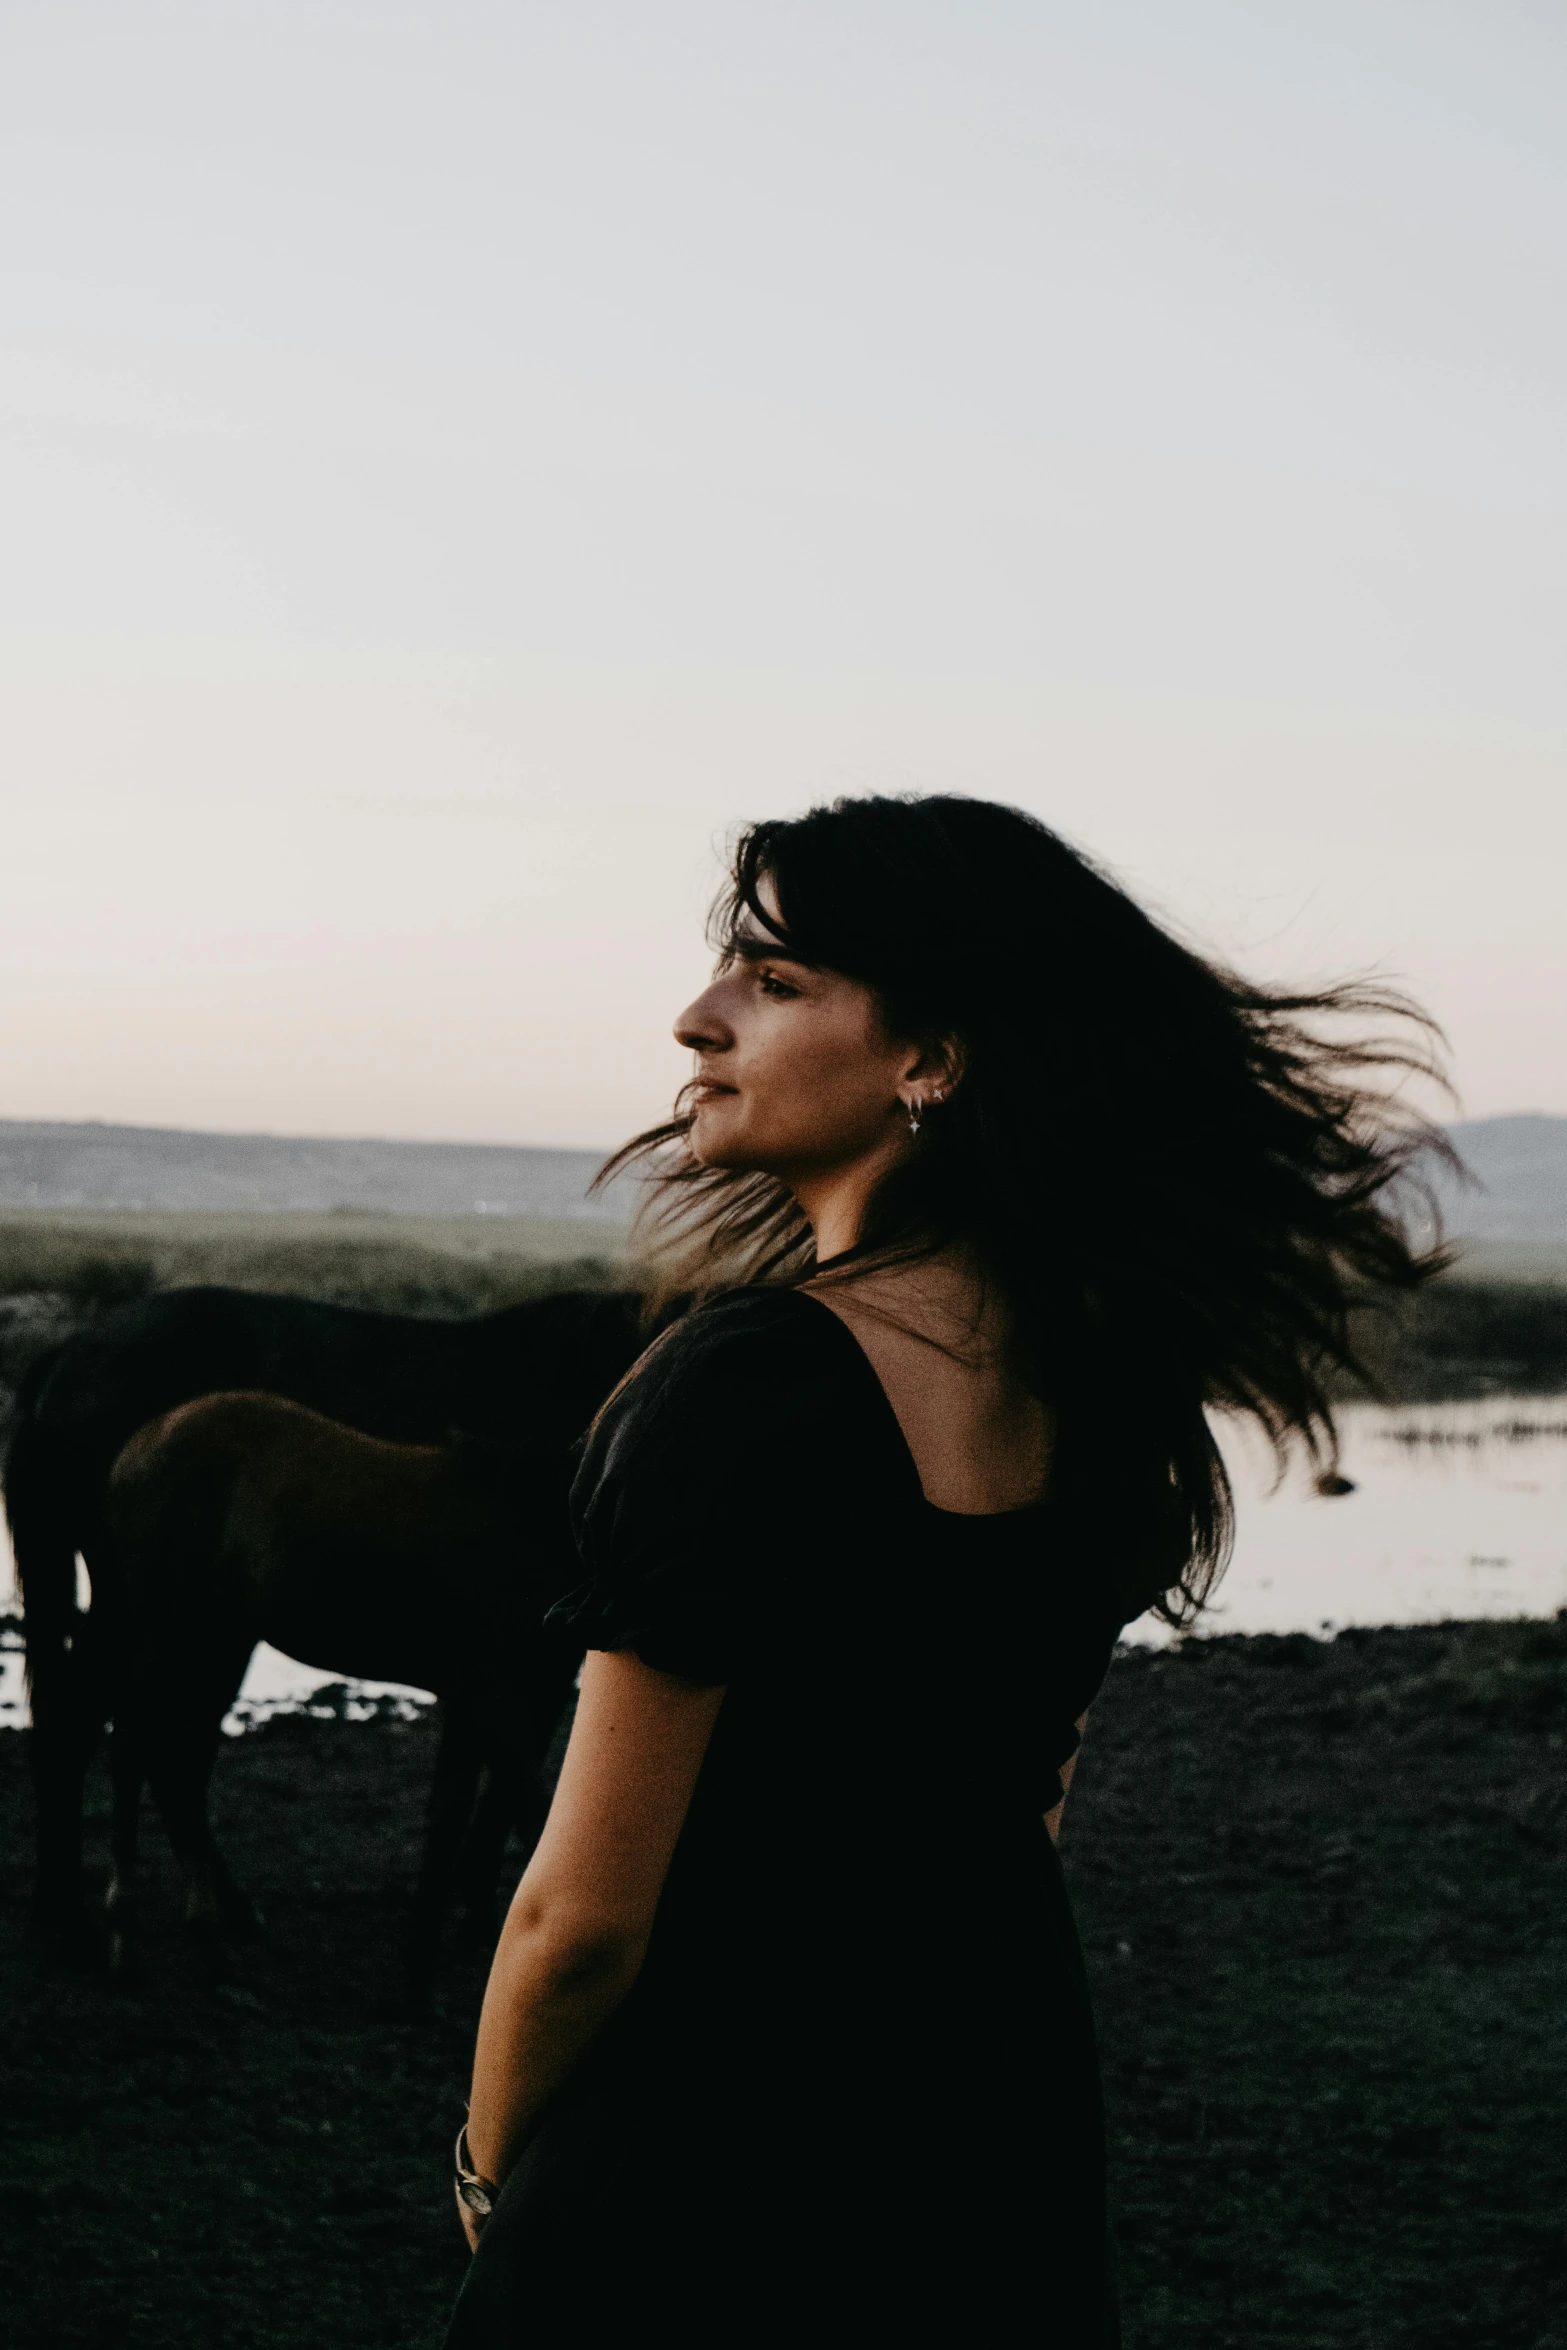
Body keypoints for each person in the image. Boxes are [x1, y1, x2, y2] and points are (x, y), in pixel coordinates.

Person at [442, 794, 1446, 2345]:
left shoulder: (742, 1387)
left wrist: (492, 2161)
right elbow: (1020, 1798)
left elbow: (576, 1917)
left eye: (774, 984)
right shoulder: (1110, 1398)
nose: (695, 1016)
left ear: (930, 1057)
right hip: (993, 2130)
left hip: (707, 2143)